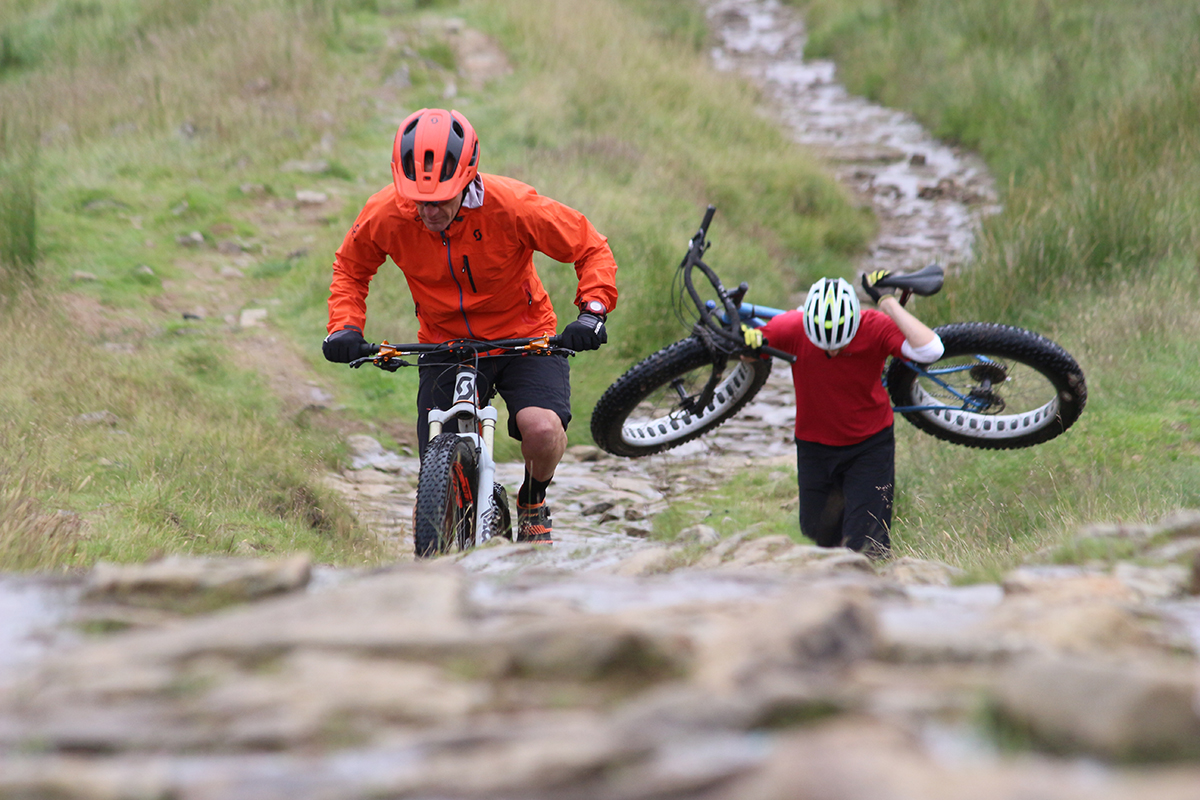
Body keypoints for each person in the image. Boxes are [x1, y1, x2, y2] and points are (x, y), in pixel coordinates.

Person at [321, 108, 618, 545]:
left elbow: (589, 246)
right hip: (445, 344)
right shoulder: (387, 213)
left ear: (467, 179)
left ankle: (533, 500)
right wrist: (344, 327)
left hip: (524, 336)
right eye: (420, 200)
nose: (430, 211)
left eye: (442, 198)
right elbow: (351, 267)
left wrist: (592, 311)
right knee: (435, 478)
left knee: (541, 429)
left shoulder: (511, 205)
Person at [745, 271, 943, 558]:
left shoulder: (874, 325)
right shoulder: (791, 327)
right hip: (814, 449)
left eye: (841, 344)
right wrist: (750, 343)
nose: (834, 350)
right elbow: (748, 351)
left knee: (867, 547)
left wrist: (886, 301)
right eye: (826, 345)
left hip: (870, 447)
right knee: (818, 541)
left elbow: (931, 349)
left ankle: (872, 597)